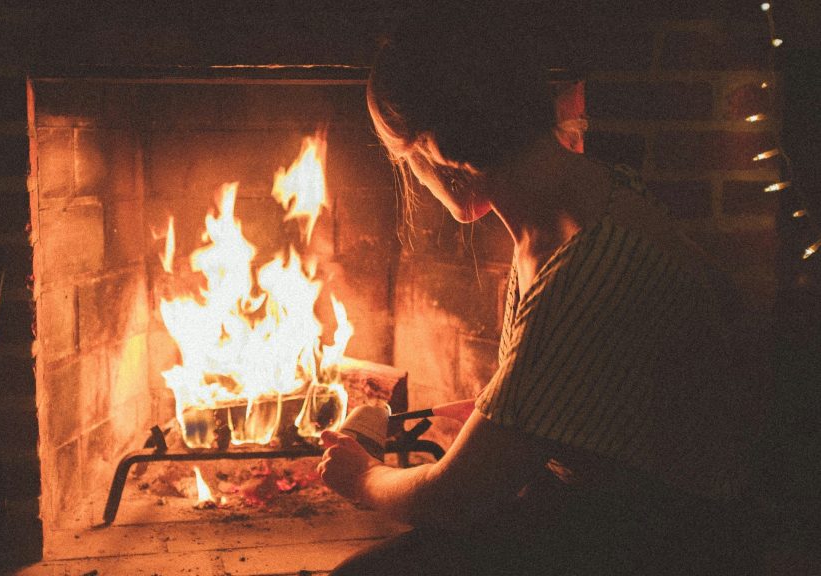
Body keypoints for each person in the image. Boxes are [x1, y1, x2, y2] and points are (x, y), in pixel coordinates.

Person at [317, 4, 759, 575]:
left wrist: (363, 477)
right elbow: (594, 385)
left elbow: (452, 497)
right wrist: (496, 413)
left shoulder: (582, 266)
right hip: (606, 498)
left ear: (441, 150)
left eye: (406, 160)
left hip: (657, 537)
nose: (416, 180)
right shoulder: (583, 199)